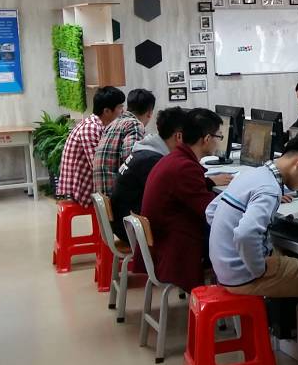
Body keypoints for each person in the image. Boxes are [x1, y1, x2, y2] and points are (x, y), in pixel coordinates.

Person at [206, 134, 298, 365]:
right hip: (244, 274)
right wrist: (257, 268)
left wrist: (227, 245)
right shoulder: (268, 189)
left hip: (223, 266)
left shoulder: (253, 175)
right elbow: (246, 234)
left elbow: (211, 210)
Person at [139, 108, 225, 292]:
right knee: (236, 237)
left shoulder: (175, 159)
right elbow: (212, 212)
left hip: (164, 240)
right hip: (176, 248)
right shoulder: (185, 168)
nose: (219, 141)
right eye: (218, 136)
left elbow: (189, 191)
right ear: (206, 139)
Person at [110, 107, 185, 244]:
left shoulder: (145, 150)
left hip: (124, 221)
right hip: (131, 229)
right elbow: (173, 196)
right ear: (178, 136)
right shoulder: (152, 160)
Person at [56, 86, 126, 207]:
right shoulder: (91, 128)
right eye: (120, 107)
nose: (123, 111)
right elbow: (98, 166)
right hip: (81, 190)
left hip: (86, 185)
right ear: (107, 111)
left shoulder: (98, 125)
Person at [93, 88, 155, 196]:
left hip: (103, 196)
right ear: (149, 113)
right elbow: (132, 162)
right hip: (118, 198)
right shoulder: (134, 124)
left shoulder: (112, 124)